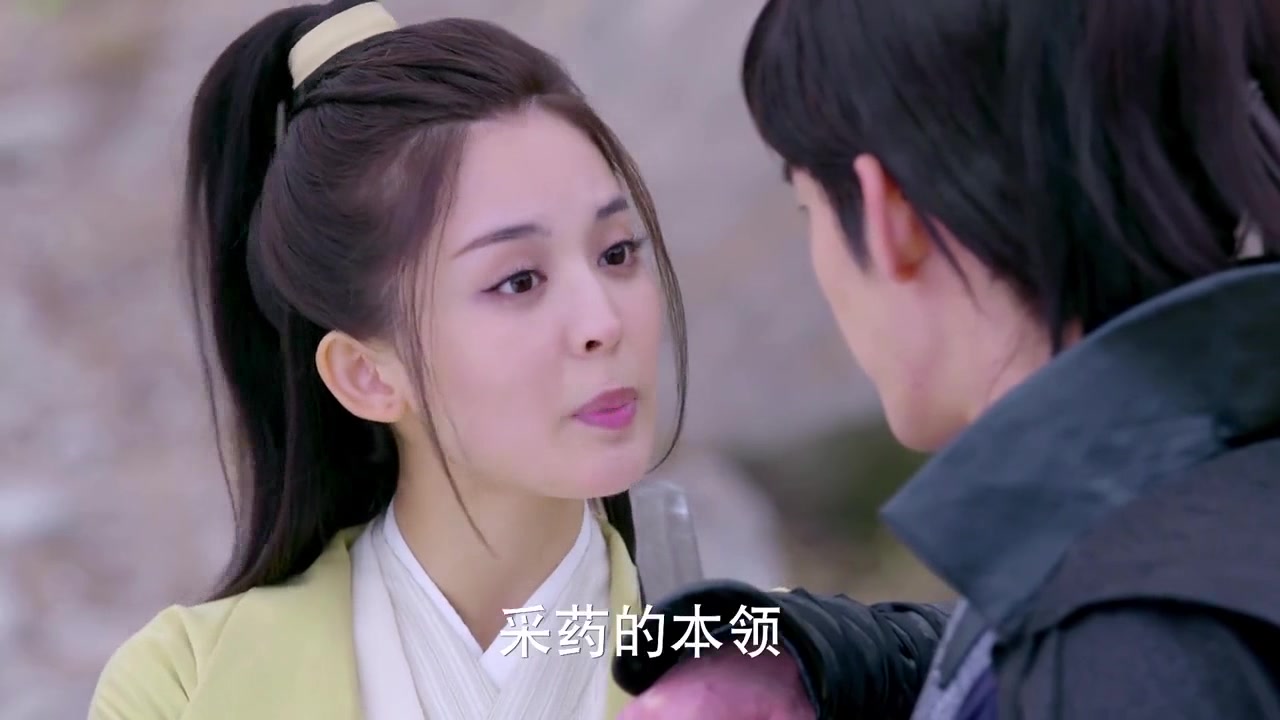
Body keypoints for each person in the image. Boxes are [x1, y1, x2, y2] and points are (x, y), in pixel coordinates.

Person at [615, 0, 1280, 717]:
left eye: (810, 212)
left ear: (890, 215)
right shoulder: (1173, 531)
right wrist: (820, 664)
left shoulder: (1131, 648)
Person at [87, 2, 690, 718]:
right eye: (519, 280)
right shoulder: (183, 686)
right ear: (367, 375)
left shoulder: (774, 664)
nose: (603, 323)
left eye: (616, 253)